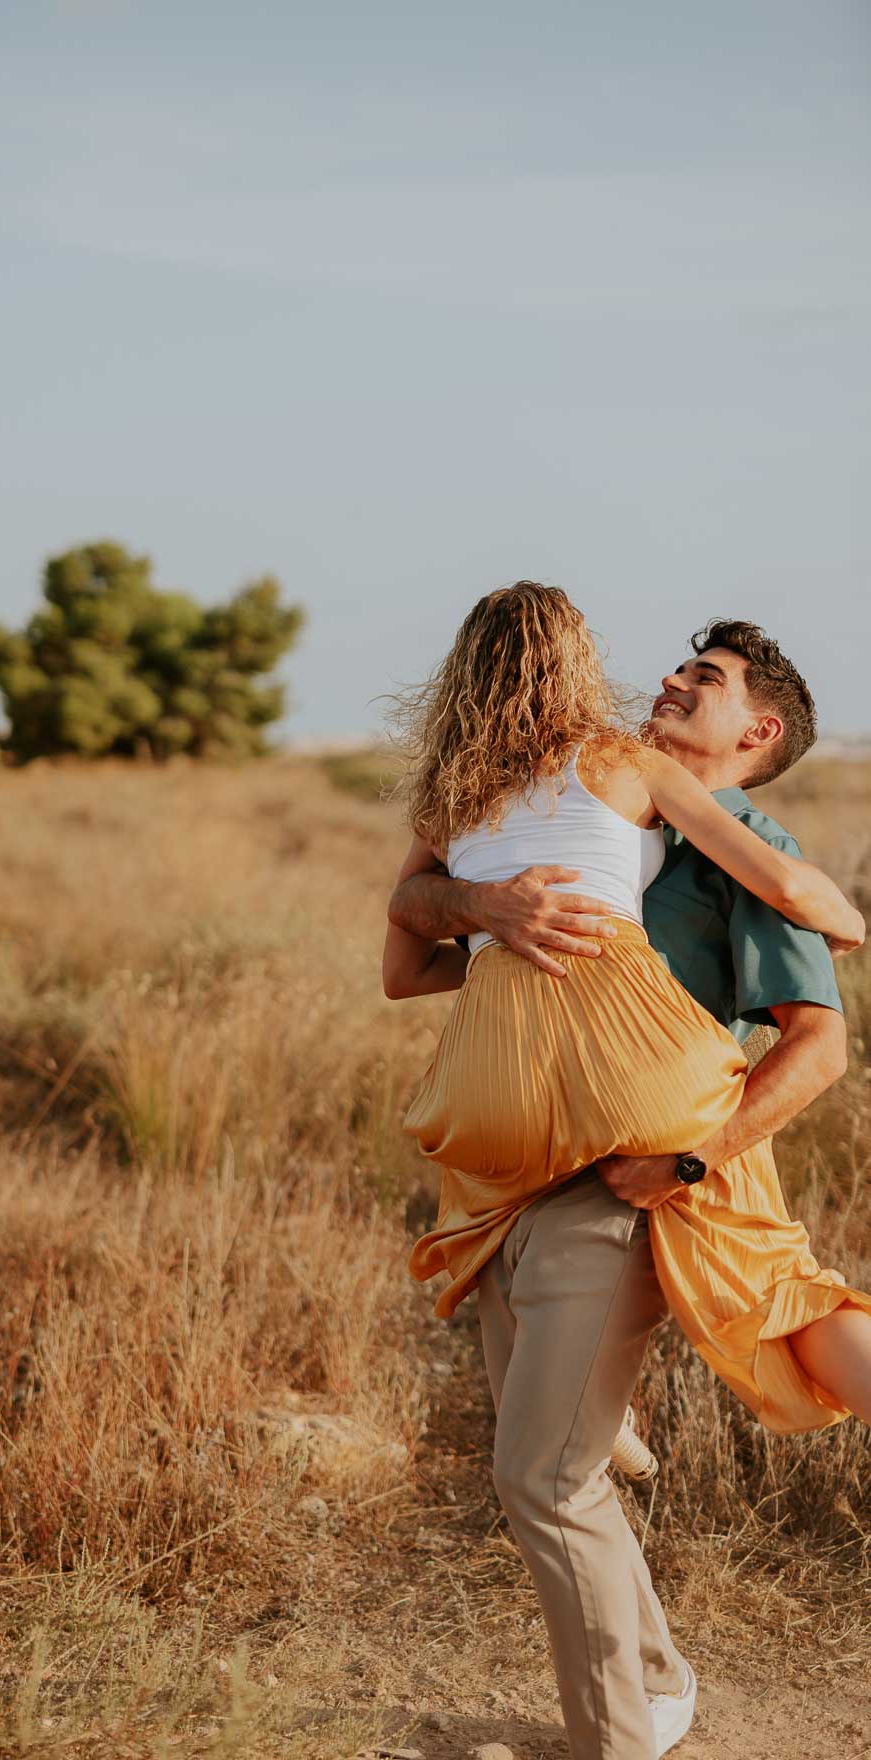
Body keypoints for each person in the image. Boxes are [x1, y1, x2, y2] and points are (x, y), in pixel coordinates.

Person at [381, 588, 871, 1760]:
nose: (669, 681)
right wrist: (483, 904)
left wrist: (691, 1152)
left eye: (705, 679)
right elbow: (412, 943)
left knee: (779, 1303)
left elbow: (819, 1022)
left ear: (755, 736)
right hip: (525, 1168)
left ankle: (621, 1730)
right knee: (554, 1446)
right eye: (675, 667)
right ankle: (651, 1670)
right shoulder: (510, 792)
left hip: (655, 1157)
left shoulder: (682, 803)